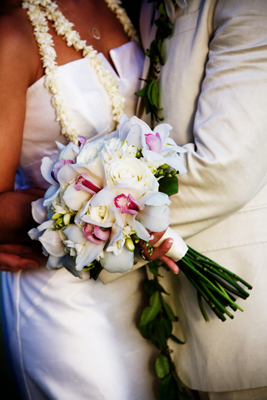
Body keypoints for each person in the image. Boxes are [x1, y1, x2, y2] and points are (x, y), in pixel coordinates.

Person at [0, 0, 179, 398]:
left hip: (139, 287)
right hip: (61, 297)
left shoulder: (128, 9)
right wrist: (101, 210)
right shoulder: (12, 34)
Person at [137, 0, 267, 399]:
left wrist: (88, 223)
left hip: (245, 317)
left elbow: (224, 167)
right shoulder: (145, 9)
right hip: (169, 315)